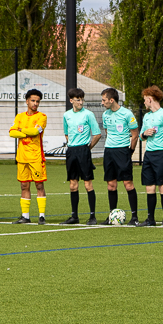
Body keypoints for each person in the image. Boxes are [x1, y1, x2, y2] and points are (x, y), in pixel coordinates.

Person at [136, 85, 163, 227]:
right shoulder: (147, 116)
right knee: (149, 187)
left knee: (162, 186)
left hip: (162, 154)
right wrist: (144, 134)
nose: (144, 102)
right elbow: (140, 136)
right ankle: (150, 219)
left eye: (144, 100)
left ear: (150, 99)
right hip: (148, 155)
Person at [61, 88, 101, 225]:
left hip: (84, 151)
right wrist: (72, 145)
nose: (81, 102)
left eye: (82, 99)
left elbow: (97, 134)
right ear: (71, 100)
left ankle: (92, 216)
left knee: (88, 184)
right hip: (71, 151)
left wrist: (87, 148)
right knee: (73, 185)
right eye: (78, 100)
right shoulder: (66, 115)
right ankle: (74, 216)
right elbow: (66, 133)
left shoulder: (88, 114)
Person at [100, 88, 140, 225]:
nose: (102, 103)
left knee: (128, 184)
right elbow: (107, 132)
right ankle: (112, 216)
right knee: (111, 185)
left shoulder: (127, 114)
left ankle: (134, 217)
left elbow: (135, 135)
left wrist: (130, 151)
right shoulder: (105, 115)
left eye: (104, 100)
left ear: (112, 100)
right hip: (109, 152)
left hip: (122, 151)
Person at [9, 89, 48, 224]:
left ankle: (41, 216)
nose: (35, 103)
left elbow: (35, 131)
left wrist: (21, 131)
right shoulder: (19, 117)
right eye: (33, 101)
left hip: (36, 156)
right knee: (24, 186)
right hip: (22, 157)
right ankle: (25, 216)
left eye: (37, 101)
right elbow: (12, 133)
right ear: (27, 101)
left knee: (39, 185)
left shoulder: (42, 117)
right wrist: (26, 132)